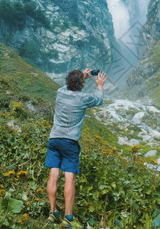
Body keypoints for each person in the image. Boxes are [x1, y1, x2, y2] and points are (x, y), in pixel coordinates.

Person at [45, 68, 107, 228]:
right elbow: (99, 100)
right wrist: (99, 85)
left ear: (67, 81)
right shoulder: (83, 98)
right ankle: (68, 217)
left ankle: (52, 213)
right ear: (81, 84)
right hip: (70, 142)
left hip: (54, 139)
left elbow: (70, 87)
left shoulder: (60, 92)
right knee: (69, 177)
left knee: (53, 174)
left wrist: (81, 77)